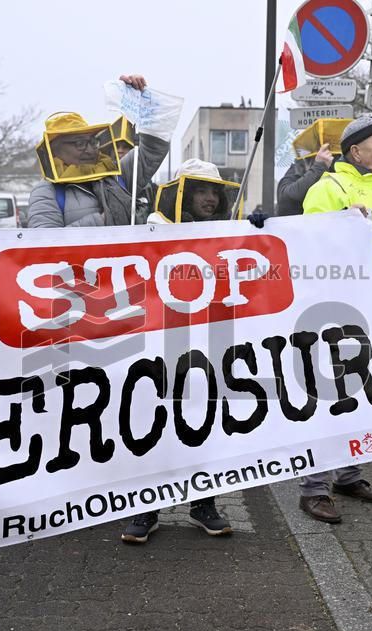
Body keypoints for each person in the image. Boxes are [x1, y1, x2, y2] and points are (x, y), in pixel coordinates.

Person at [289, 115, 372, 523]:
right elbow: (309, 245)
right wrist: (341, 223)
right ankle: (314, 488)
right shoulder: (329, 188)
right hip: (340, 309)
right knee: (329, 393)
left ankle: (350, 473)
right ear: (355, 151)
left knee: (365, 390)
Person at [121, 159, 237, 543]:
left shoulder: (226, 231)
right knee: (153, 421)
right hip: (160, 341)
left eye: (214, 191)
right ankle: (146, 508)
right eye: (201, 190)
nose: (209, 198)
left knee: (204, 423)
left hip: (207, 341)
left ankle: (204, 503)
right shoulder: (154, 225)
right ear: (183, 194)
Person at [28, 75, 171, 228]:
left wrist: (143, 101)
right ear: (55, 150)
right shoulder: (46, 192)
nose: (90, 149)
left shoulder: (116, 175)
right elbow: (45, 246)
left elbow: (154, 148)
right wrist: (103, 220)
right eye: (80, 143)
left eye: (92, 141)